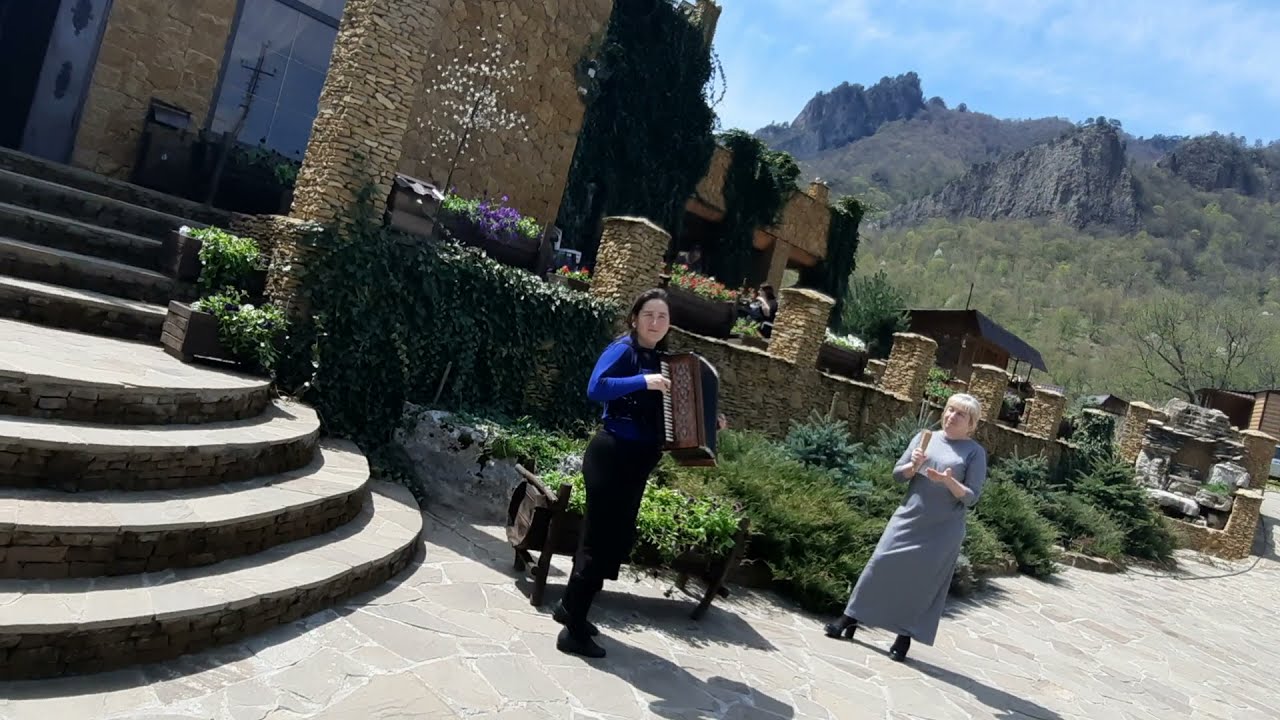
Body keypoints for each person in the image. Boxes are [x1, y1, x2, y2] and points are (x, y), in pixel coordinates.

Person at [553, 288, 674, 659]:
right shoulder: (623, 350)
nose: (655, 322)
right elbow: (596, 388)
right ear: (635, 318)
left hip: (637, 461)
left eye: (662, 316)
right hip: (612, 455)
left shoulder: (663, 360)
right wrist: (643, 381)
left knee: (614, 540)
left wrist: (710, 423)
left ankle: (569, 607)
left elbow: (675, 411)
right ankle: (573, 632)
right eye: (648, 314)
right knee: (599, 542)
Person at [823, 393, 988, 662]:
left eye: (960, 414)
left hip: (943, 530)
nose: (951, 416)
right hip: (909, 517)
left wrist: (948, 481)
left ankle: (904, 636)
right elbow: (898, 474)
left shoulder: (974, 453)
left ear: (971, 424)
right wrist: (914, 466)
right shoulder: (925, 437)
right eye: (949, 410)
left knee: (921, 584)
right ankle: (850, 617)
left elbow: (972, 497)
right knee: (879, 564)